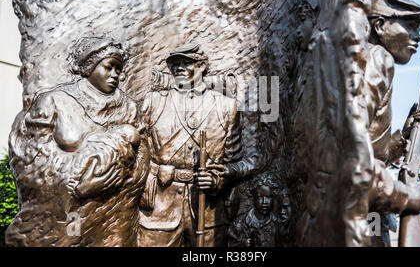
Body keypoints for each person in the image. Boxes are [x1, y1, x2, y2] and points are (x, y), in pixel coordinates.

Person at [6, 36, 148, 247]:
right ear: (90, 66)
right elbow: (28, 159)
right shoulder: (53, 101)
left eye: (119, 69)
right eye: (109, 67)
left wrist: (118, 179)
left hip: (115, 213)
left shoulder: (129, 108)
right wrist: (76, 183)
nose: (115, 75)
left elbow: (143, 156)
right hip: (68, 211)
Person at [138, 43, 260, 247]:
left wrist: (218, 179)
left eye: (187, 62)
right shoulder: (153, 103)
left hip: (209, 209)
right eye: (175, 63)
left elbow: (234, 161)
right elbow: (137, 153)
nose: (179, 67)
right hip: (160, 209)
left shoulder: (226, 106)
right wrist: (154, 171)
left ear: (202, 66)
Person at [365, 0, 420, 246]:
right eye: (410, 26)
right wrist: (404, 196)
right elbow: (348, 159)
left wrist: (406, 135)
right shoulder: (376, 58)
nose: (417, 36)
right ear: (380, 25)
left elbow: (372, 152)